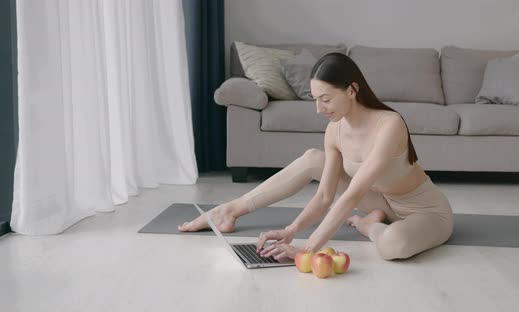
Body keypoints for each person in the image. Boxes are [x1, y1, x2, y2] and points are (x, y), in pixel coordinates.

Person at [178, 52, 454, 261]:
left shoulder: (389, 124)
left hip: (425, 211)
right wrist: (292, 229)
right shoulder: (335, 130)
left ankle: (369, 226)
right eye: (315, 99)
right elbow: (324, 196)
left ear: (352, 90)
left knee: (394, 246)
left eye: (326, 99)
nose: (319, 109)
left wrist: (308, 248)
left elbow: (352, 195)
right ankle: (230, 210)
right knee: (313, 158)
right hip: (382, 199)